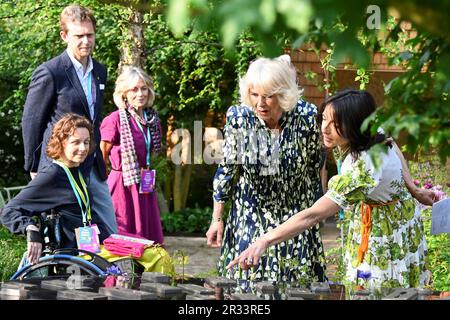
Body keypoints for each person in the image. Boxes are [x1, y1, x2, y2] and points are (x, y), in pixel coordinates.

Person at [227, 89, 433, 289]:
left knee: (379, 288)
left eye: (336, 124)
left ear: (355, 125)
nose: (325, 128)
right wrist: (415, 189)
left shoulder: (363, 168)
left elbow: (312, 215)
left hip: (385, 231)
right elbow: (391, 142)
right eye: (324, 118)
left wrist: (264, 240)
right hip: (389, 213)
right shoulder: (370, 133)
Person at [206, 55, 327, 284]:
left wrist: (315, 214)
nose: (260, 103)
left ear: (283, 94)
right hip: (249, 215)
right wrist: (216, 218)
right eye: (254, 95)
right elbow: (227, 170)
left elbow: (313, 169)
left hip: (294, 215)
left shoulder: (307, 117)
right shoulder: (239, 118)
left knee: (296, 285)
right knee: (246, 285)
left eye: (268, 96)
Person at [21, 4, 117, 235]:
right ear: (65, 36)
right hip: (59, 165)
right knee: (59, 234)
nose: (86, 41)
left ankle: (111, 271)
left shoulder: (99, 71)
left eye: (90, 35)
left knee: (109, 228)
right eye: (79, 36)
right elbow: (31, 121)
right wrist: (33, 166)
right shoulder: (51, 72)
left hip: (91, 163)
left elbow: (94, 117)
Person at [1, 114, 111, 265]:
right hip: (70, 259)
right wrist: (30, 228)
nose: (83, 148)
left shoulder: (76, 171)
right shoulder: (52, 176)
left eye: (86, 142)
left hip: (89, 250)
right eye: (76, 142)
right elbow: (9, 211)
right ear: (61, 143)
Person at [100, 66, 164, 244]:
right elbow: (100, 155)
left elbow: (153, 153)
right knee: (124, 236)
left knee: (147, 239)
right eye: (134, 89)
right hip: (123, 185)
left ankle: (142, 272)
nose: (140, 93)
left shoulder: (152, 119)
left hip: (145, 184)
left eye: (144, 88)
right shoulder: (114, 119)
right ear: (124, 94)